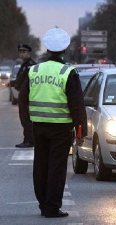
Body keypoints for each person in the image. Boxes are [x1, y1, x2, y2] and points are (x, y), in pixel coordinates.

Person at [19, 28, 87, 218]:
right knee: (56, 167)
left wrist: (27, 125)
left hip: (38, 126)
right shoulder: (68, 72)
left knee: (40, 166)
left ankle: (43, 204)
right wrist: (81, 132)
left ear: (47, 50)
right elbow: (77, 105)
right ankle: (52, 207)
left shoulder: (34, 70)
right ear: (65, 50)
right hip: (61, 129)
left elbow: (23, 99)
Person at [15, 44, 36, 148]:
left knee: (27, 120)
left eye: (24, 52)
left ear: (28, 53)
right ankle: (27, 139)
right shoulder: (24, 65)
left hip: (28, 97)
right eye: (20, 52)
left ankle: (30, 140)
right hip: (23, 97)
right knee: (24, 119)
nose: (22, 54)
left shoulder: (31, 65)